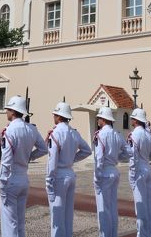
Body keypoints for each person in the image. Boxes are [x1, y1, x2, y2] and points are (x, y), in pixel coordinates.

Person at [0, 95, 48, 237]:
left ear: (13, 111)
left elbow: (6, 161)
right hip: (23, 179)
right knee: (19, 222)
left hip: (10, 178)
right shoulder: (31, 129)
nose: (6, 111)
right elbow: (44, 149)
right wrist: (29, 157)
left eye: (8, 109)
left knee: (9, 223)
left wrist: (2, 181)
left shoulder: (10, 130)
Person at [45, 101, 92, 237]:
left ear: (59, 116)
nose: (53, 116)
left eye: (55, 114)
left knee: (57, 217)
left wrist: (49, 181)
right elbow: (87, 150)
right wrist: (72, 159)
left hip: (59, 176)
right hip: (70, 174)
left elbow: (52, 160)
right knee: (67, 215)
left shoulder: (55, 133)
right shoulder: (74, 133)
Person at [93, 106, 129, 237]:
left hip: (104, 172)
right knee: (113, 207)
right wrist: (117, 157)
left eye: (99, 118)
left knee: (103, 208)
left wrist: (97, 177)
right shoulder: (117, 134)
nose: (98, 120)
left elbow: (99, 158)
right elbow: (128, 152)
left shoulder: (101, 135)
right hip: (114, 170)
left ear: (103, 119)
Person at [126, 108, 151, 237]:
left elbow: (133, 155)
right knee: (148, 203)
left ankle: (142, 234)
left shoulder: (134, 134)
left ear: (135, 120)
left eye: (132, 119)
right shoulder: (149, 134)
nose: (131, 121)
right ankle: (149, 233)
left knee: (139, 205)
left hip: (139, 169)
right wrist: (147, 158)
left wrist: (133, 173)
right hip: (147, 167)